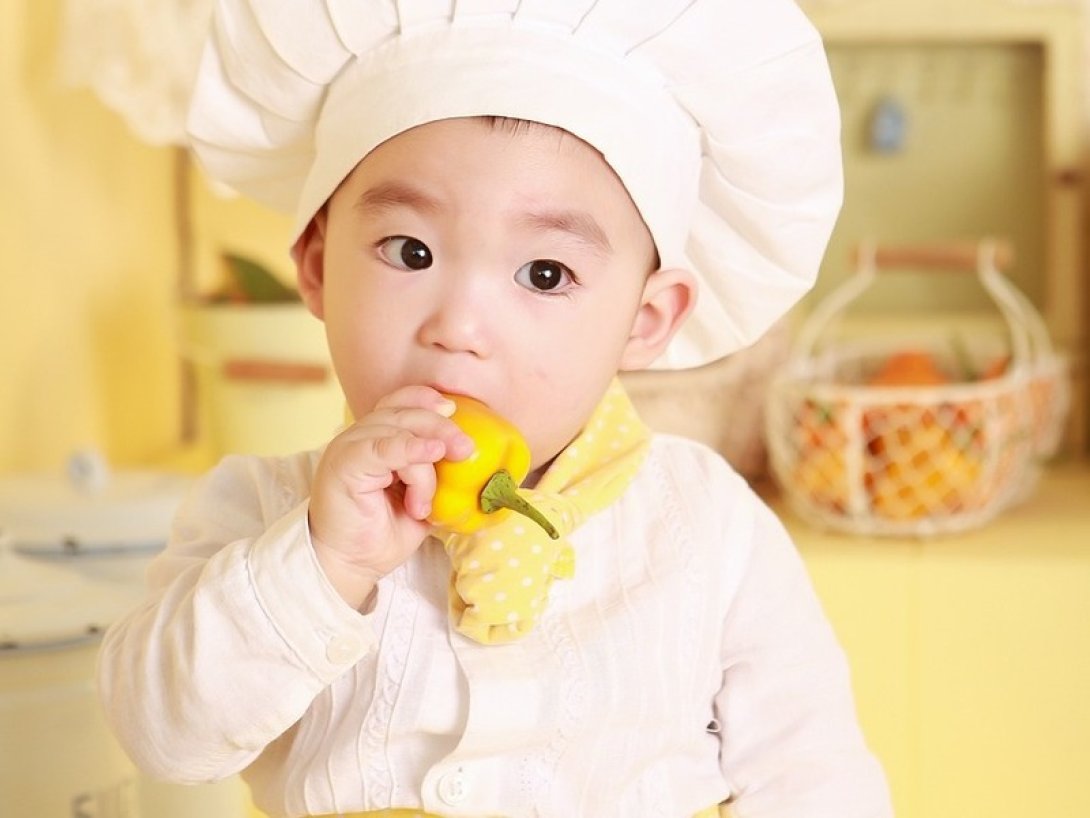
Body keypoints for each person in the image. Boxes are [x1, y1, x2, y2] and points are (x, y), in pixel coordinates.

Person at [97, 2, 893, 817]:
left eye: (545, 274)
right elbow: (166, 740)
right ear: (316, 267)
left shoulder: (711, 527)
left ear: (647, 319)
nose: (459, 328)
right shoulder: (262, 514)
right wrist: (322, 562)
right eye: (411, 252)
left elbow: (815, 781)